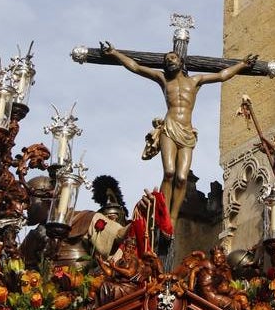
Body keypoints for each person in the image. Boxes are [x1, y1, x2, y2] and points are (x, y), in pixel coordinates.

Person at [99, 43, 256, 224]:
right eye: (166, 60)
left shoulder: (195, 81)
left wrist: (242, 65)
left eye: (172, 58)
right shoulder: (164, 79)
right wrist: (114, 53)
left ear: (181, 62)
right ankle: (164, 213)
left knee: (182, 178)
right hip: (170, 127)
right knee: (169, 172)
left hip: (187, 132)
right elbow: (135, 67)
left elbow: (222, 75)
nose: (169, 61)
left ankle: (173, 217)